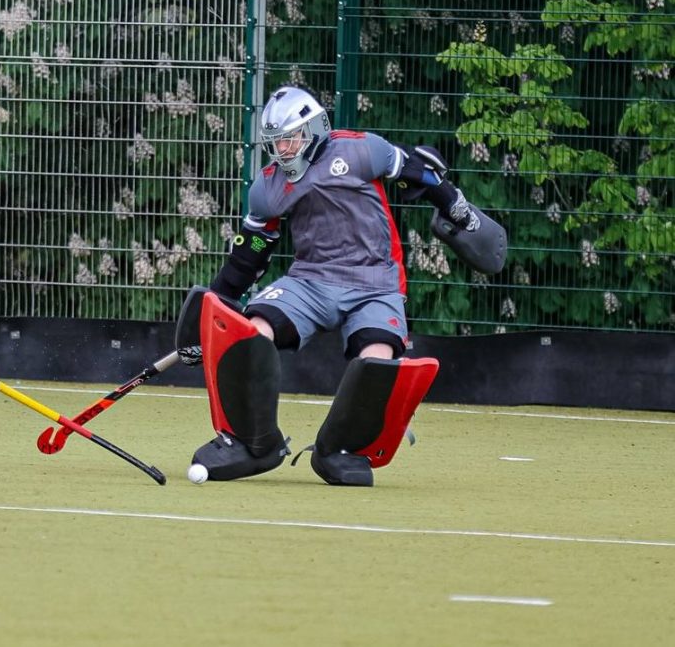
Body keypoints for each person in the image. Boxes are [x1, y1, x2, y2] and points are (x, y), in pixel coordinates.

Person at [175, 84, 503, 486]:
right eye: (276, 143)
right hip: (310, 280)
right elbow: (250, 254)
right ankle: (254, 443)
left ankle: (340, 451)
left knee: (377, 358)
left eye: (290, 139)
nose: (283, 150)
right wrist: (217, 304)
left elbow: (421, 173)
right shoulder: (268, 188)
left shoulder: (363, 151)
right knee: (252, 331)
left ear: (314, 128)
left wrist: (457, 207)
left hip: (376, 284)